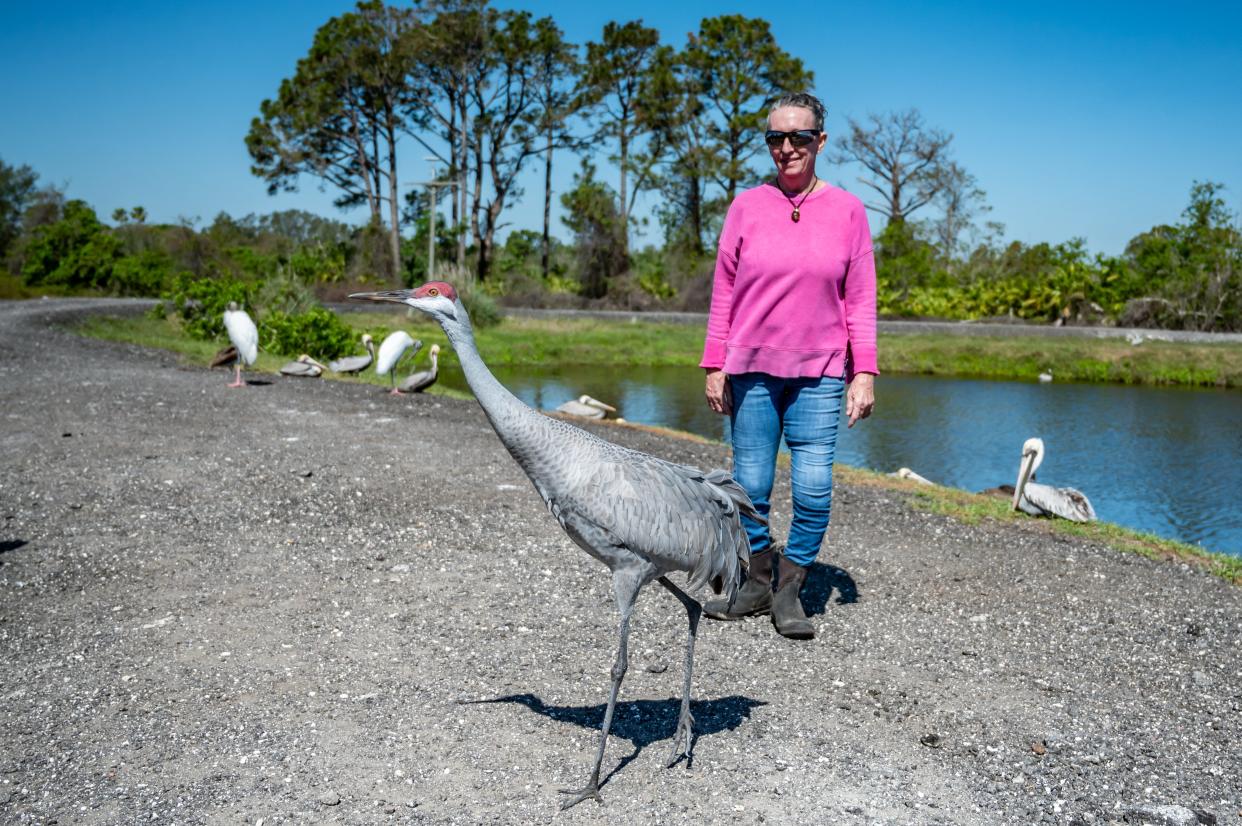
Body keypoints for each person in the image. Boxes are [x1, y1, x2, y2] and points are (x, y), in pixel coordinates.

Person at [700, 91, 876, 640]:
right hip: (750, 369)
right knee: (749, 485)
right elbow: (724, 289)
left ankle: (790, 587)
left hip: (821, 372)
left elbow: (861, 297)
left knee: (815, 486)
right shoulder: (746, 206)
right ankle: (755, 579)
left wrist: (863, 370)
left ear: (820, 141)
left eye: (799, 137)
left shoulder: (848, 210)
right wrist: (714, 362)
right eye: (776, 137)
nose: (787, 147)